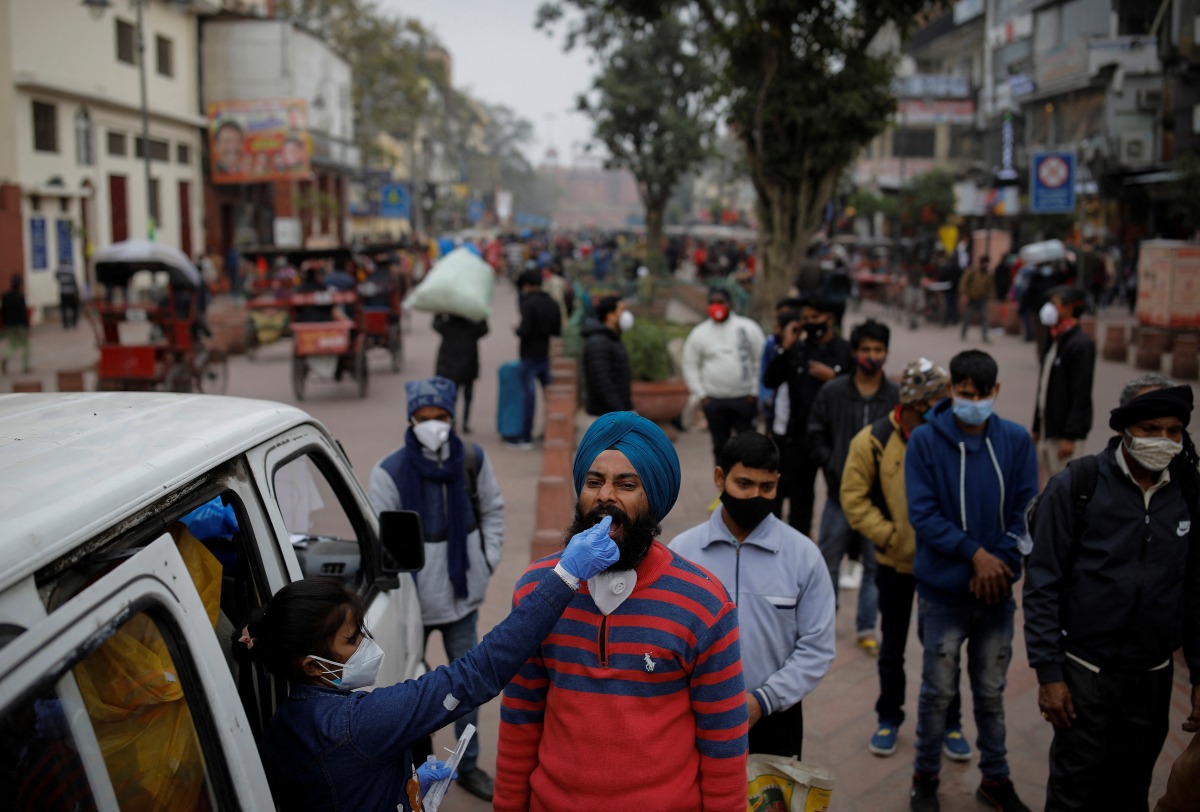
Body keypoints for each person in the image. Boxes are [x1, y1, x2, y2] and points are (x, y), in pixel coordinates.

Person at [237, 520, 619, 811]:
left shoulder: (282, 725)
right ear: (313, 667)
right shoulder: (356, 724)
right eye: (353, 639)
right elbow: (476, 673)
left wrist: (402, 783)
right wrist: (565, 578)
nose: (367, 644)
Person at [494, 411, 749, 811]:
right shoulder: (536, 589)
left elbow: (724, 741)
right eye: (594, 482)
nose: (605, 496)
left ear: (654, 499)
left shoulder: (704, 603)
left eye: (626, 485)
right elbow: (520, 716)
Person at [1024, 380, 1200, 812]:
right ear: (1125, 430)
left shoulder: (1188, 492)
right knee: (1073, 791)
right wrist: (1049, 675)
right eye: (1150, 428)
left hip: (1152, 677)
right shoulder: (1078, 484)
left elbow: (1194, 589)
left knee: (1130, 790)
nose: (1163, 441)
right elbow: (1042, 583)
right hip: (1086, 672)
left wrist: (1198, 673)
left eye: (1174, 431)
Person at [905, 350, 1038, 812]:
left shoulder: (1017, 442)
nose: (974, 403)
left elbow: (1026, 510)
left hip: (997, 592)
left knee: (991, 692)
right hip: (942, 593)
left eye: (982, 395)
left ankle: (996, 779)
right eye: (965, 394)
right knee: (937, 690)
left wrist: (996, 563)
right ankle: (925, 777)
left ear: (996, 393)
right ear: (951, 392)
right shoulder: (924, 442)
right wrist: (976, 554)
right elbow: (923, 515)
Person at [366, 377, 505, 801]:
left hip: (462, 596)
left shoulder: (472, 460)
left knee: (471, 686)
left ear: (451, 416)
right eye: (425, 419)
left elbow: (493, 510)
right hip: (413, 604)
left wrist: (487, 559)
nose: (434, 425)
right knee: (407, 689)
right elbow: (381, 539)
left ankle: (468, 765)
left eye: (441, 417)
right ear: (411, 418)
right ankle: (411, 768)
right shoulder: (389, 471)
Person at [669, 431, 835, 759]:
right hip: (695, 715)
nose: (755, 496)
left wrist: (764, 700)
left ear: (778, 483)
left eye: (767, 487)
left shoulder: (803, 556)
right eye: (744, 484)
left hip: (777, 717)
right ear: (720, 478)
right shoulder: (683, 553)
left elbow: (817, 647)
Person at [841, 358, 971, 762]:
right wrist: (890, 535)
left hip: (944, 564)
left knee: (945, 647)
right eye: (937, 400)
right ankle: (889, 718)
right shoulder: (873, 440)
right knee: (892, 644)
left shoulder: (952, 437)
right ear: (917, 404)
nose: (945, 406)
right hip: (895, 562)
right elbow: (854, 498)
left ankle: (951, 722)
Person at [807, 318, 898, 654]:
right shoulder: (833, 392)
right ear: (855, 352)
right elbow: (815, 432)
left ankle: (866, 627)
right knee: (828, 560)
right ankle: (825, 623)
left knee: (875, 565)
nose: (871, 356)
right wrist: (831, 463)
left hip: (879, 500)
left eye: (878, 350)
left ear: (886, 353)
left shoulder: (895, 397)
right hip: (839, 495)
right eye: (865, 349)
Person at [762, 295, 854, 535]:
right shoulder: (799, 349)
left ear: (829, 319)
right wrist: (787, 345)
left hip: (834, 438)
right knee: (797, 497)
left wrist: (834, 377)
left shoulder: (844, 350)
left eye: (815, 318)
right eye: (805, 319)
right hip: (798, 438)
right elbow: (770, 379)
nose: (810, 323)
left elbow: (857, 389)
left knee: (842, 492)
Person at [682, 286, 766, 466]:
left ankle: (748, 482)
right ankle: (724, 485)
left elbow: (759, 360)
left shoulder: (748, 328)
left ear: (730, 304)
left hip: (744, 399)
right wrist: (701, 395)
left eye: (720, 302)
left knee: (748, 445)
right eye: (712, 303)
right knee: (720, 445)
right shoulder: (699, 333)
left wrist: (753, 391)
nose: (716, 306)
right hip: (714, 401)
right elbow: (690, 365)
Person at [1032, 286, 1096, 478]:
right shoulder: (1056, 339)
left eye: (1055, 304)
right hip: (1048, 428)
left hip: (1064, 434)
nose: (1050, 308)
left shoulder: (1080, 345)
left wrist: (1070, 436)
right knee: (1049, 486)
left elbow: (1081, 393)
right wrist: (1036, 425)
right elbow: (1044, 386)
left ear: (1069, 308)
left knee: (1064, 489)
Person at [510, 269, 561, 449]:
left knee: (528, 398)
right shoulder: (552, 303)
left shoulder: (529, 304)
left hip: (529, 355)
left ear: (527, 286)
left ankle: (525, 436)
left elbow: (525, 330)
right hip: (545, 355)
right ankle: (552, 433)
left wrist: (516, 329)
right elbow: (557, 330)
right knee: (551, 397)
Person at [433, 315, 489, 434]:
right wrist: (482, 316)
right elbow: (484, 329)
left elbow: (435, 324)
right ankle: (465, 422)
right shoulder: (472, 328)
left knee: (452, 397)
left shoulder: (447, 326)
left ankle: (452, 421)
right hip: (469, 367)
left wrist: (439, 313)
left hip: (449, 369)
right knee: (468, 397)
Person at [581, 295, 634, 417]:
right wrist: (621, 412)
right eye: (621, 310)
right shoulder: (598, 343)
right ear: (610, 315)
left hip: (614, 413)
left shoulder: (612, 338)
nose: (626, 315)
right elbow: (602, 383)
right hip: (606, 415)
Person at [1, 276, 31, 375]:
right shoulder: (20, 296)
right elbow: (23, 312)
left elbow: (3, 311)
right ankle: (26, 366)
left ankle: (6, 357)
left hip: (9, 324)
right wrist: (27, 326)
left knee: (12, 344)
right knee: (26, 345)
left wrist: (5, 323)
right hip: (20, 325)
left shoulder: (5, 296)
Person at [959, 257, 992, 343]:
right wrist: (964, 295)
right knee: (968, 317)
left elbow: (990, 287)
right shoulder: (973, 273)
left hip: (983, 299)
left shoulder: (987, 274)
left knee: (985, 317)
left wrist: (991, 297)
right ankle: (963, 332)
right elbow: (964, 283)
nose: (986, 265)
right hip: (972, 298)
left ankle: (985, 336)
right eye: (984, 263)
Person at [56, 264, 80, 330]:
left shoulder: (60, 270)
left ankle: (65, 324)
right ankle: (74, 321)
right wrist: (77, 291)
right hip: (71, 292)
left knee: (64, 309)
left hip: (63, 293)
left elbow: (56, 277)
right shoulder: (70, 270)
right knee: (75, 308)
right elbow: (74, 281)